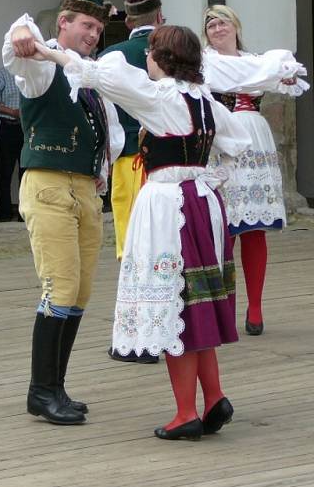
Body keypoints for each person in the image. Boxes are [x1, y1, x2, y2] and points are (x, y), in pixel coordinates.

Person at [37, 24, 305, 440]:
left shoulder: (160, 98)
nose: (145, 59)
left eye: (150, 54)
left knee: (177, 305)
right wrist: (210, 179)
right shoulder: (207, 102)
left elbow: (96, 74)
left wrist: (46, 51)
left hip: (169, 206)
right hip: (203, 203)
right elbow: (237, 143)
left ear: (163, 59)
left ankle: (185, 413)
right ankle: (214, 397)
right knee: (196, 301)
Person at [4, 0, 123, 426]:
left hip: (84, 190)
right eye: (85, 26)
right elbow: (19, 46)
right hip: (49, 186)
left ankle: (55, 386)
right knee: (61, 286)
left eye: (97, 29)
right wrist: (20, 30)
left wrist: (100, 172)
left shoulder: (87, 79)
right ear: (63, 24)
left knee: (82, 290)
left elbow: (110, 137)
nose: (92, 35)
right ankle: (40, 390)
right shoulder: (42, 69)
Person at [202, 4, 310, 336]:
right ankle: (223, 306)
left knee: (254, 227)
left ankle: (256, 306)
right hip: (220, 140)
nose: (218, 29)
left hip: (254, 141)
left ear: (236, 26)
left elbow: (286, 81)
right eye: (211, 25)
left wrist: (285, 74)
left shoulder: (257, 61)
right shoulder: (204, 63)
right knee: (222, 227)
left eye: (223, 23)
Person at [100, 0, 165, 364]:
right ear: (159, 16)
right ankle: (169, 326)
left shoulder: (112, 55)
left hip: (128, 159)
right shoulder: (175, 52)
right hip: (171, 161)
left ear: (127, 19)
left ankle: (136, 336)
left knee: (131, 246)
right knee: (164, 245)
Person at [0, 66, 24, 221]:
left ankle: (24, 213)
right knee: (5, 174)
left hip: (27, 129)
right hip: (7, 127)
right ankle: (5, 213)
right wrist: (13, 112)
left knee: (26, 174)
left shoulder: (30, 72)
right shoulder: (2, 74)